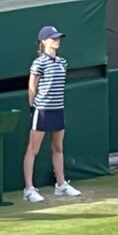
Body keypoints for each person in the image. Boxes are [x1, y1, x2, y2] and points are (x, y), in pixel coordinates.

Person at [22, 25, 82, 203]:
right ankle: (29, 189)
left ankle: (61, 184)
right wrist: (32, 107)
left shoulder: (62, 62)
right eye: (53, 38)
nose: (57, 41)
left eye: (58, 38)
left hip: (58, 109)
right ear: (44, 41)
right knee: (33, 150)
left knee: (58, 148)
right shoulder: (39, 63)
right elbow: (32, 87)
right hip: (42, 110)